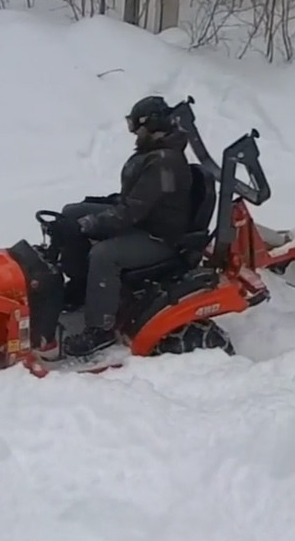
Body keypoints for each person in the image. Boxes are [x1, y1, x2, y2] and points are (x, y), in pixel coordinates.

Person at [56, 95, 194, 357]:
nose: (133, 134)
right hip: (143, 221)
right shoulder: (154, 154)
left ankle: (100, 329)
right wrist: (89, 213)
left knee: (104, 255)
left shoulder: (165, 161)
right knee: (71, 213)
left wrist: (90, 224)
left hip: (158, 236)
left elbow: (131, 212)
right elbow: (133, 201)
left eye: (136, 127)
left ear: (152, 126)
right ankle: (79, 286)